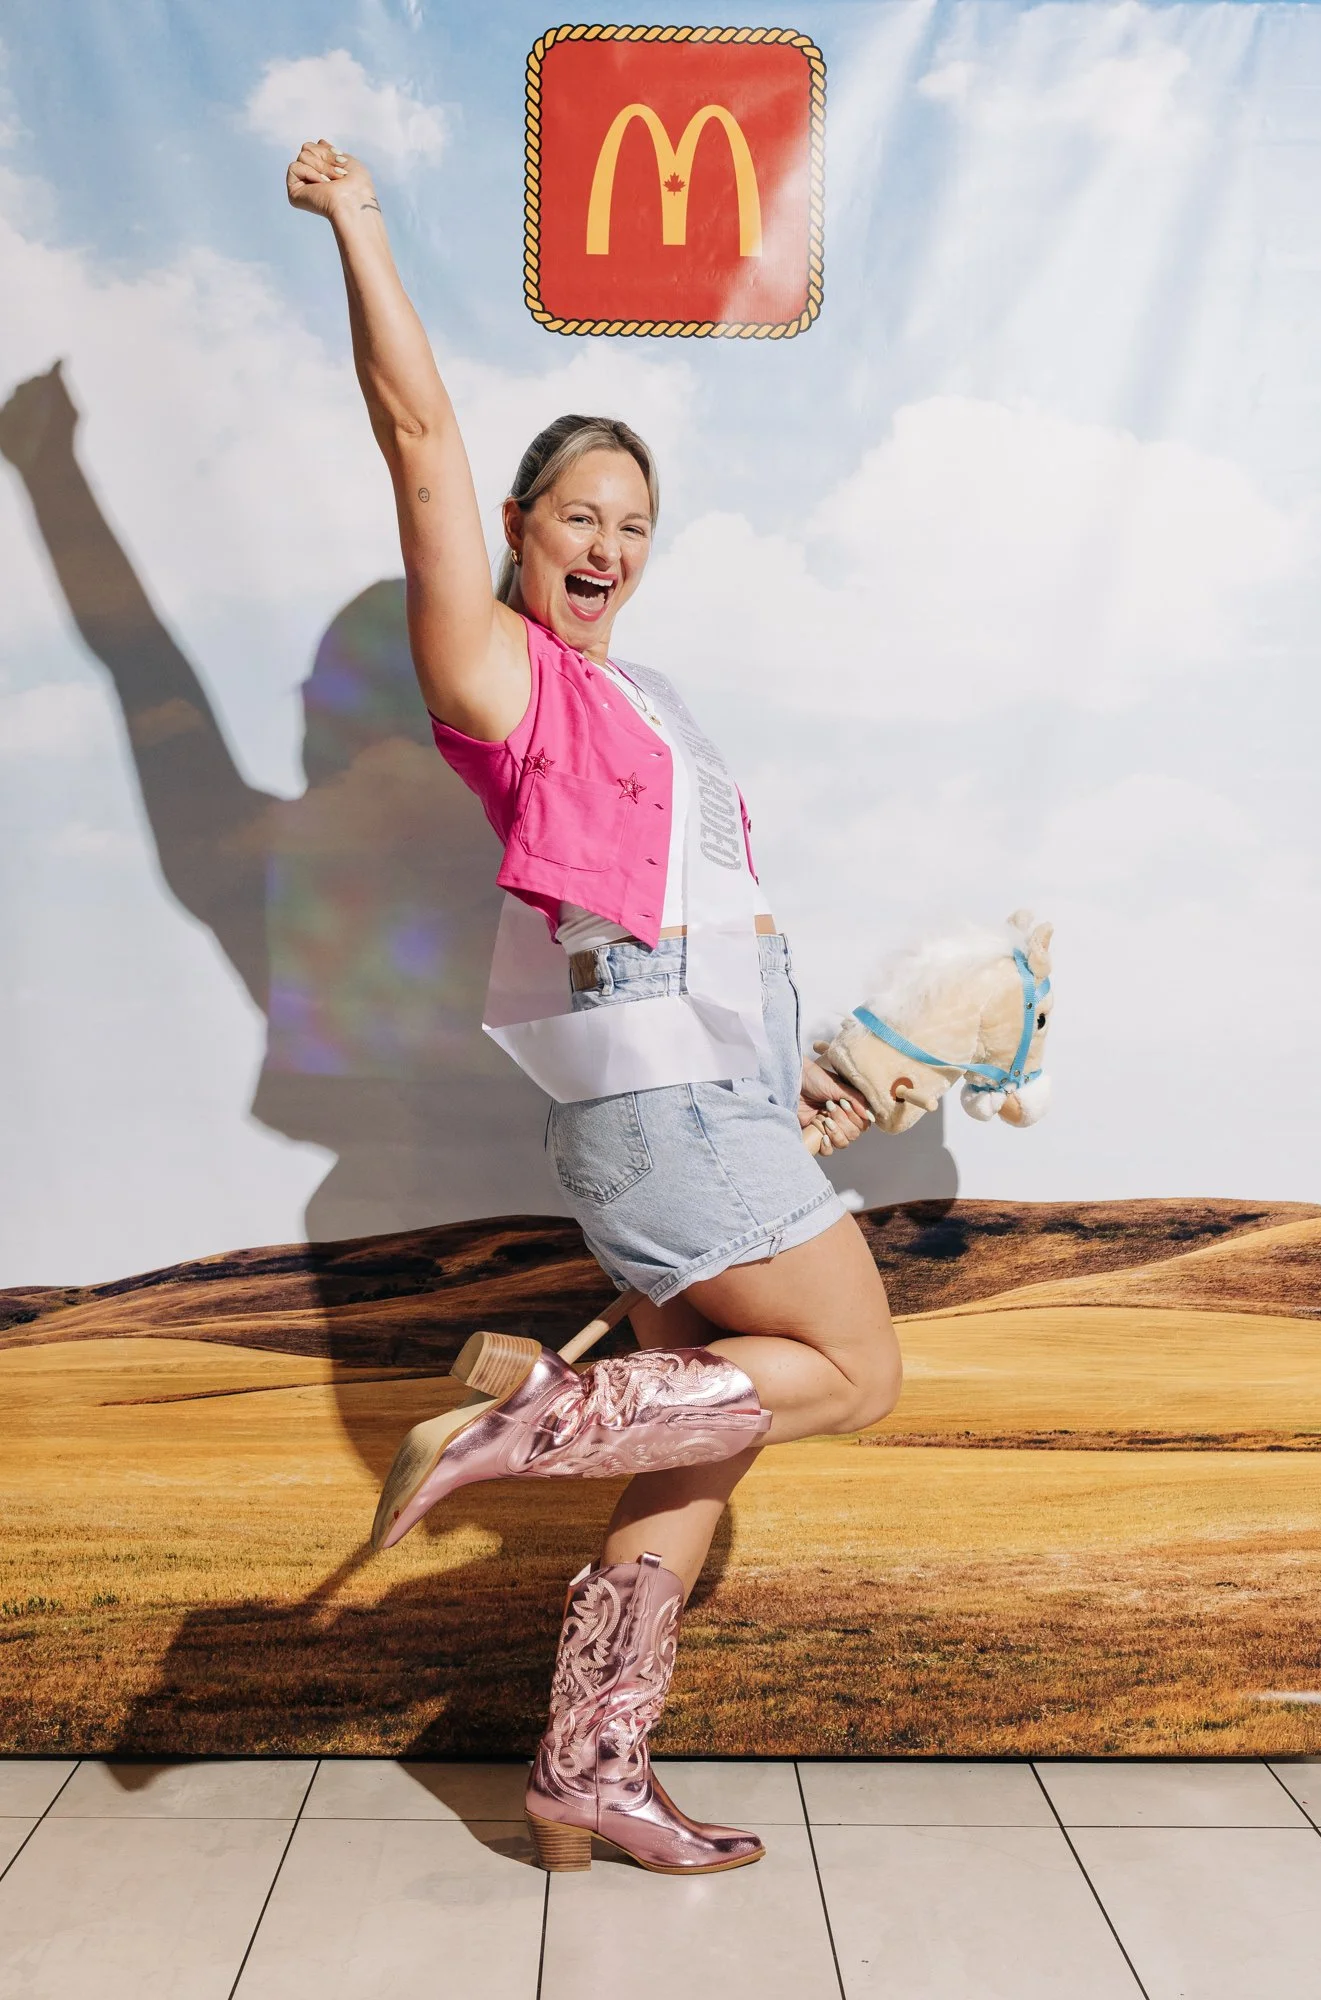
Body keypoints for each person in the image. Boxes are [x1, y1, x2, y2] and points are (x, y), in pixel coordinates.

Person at [287, 137, 902, 1876]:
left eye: (635, 524)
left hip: (701, 1112)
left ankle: (587, 1772)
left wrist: (805, 1086)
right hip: (656, 1123)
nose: (610, 543)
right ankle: (532, 1418)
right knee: (854, 1369)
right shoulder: (506, 682)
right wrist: (360, 227)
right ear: (518, 531)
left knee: (703, 1449)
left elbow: (706, 938)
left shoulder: (654, 707)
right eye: (579, 514)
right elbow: (414, 441)